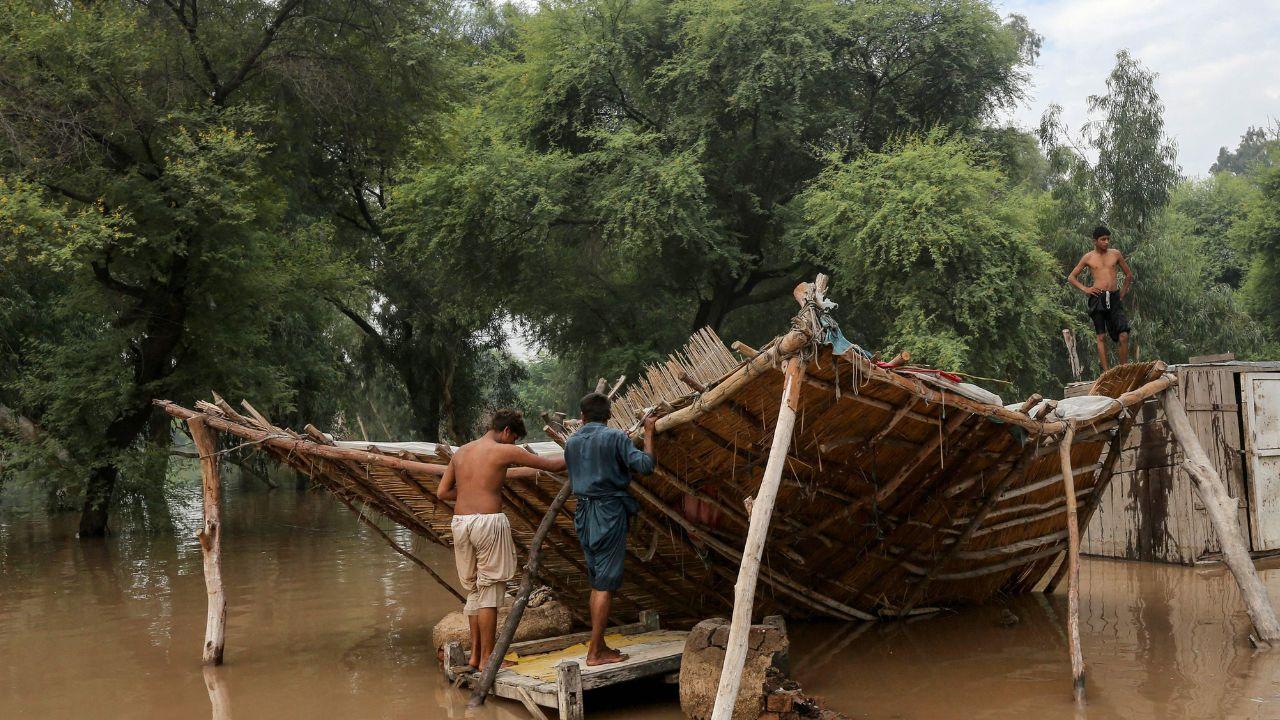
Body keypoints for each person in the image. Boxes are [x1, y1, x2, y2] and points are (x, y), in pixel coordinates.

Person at [438, 409, 566, 672]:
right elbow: (554, 465)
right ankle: (487, 659)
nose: (515, 445)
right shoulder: (503, 451)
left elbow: (443, 492)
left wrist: (471, 492)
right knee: (490, 592)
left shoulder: (461, 452)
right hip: (487, 522)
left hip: (460, 523)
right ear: (507, 432)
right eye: (515, 439)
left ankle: (474, 657)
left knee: (474, 591)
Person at [564, 392, 657, 666]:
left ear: (581, 417)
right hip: (608, 512)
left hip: (583, 512)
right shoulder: (615, 437)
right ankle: (594, 652)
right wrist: (649, 433)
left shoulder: (571, 443)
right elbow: (646, 466)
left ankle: (599, 644)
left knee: (597, 580)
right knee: (605, 584)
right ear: (609, 416)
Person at [1068, 225, 1136, 371]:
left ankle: (1123, 369)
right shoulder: (1088, 257)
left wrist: (1121, 293)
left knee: (1123, 334)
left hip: (1114, 297)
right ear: (1095, 241)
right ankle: (1106, 372)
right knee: (1101, 336)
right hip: (1097, 298)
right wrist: (1086, 289)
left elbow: (1128, 275)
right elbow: (1071, 277)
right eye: (1103, 239)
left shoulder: (1115, 254)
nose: (1106, 242)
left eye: (1108, 239)